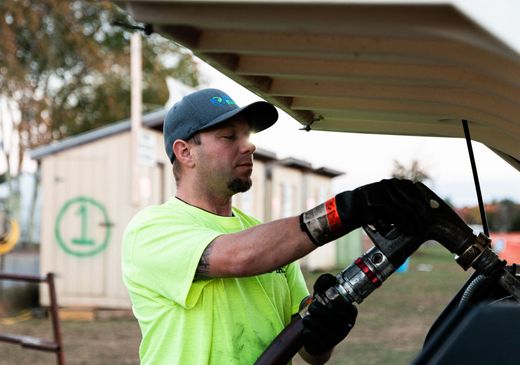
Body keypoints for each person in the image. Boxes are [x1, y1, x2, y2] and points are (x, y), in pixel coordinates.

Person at [121, 88, 432, 364]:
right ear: (185, 152)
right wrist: (349, 209)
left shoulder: (266, 238)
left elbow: (311, 355)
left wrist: (324, 334)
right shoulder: (151, 230)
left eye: (247, 137)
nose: (248, 147)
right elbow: (240, 257)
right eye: (230, 137)